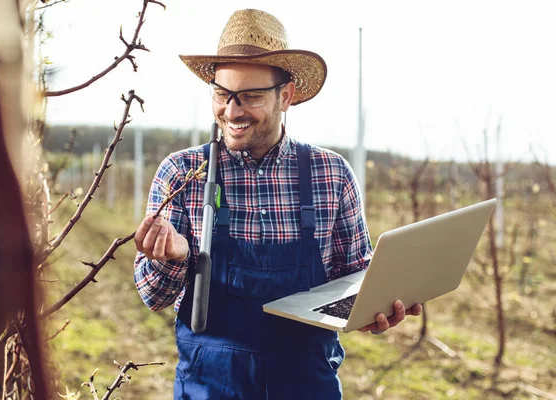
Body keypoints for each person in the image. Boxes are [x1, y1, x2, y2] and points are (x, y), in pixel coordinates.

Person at [134, 8, 422, 399]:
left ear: (286, 95)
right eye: (222, 94)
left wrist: (378, 305)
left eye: (250, 97)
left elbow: (355, 276)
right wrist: (174, 258)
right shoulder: (184, 173)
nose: (232, 111)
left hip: (306, 385)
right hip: (210, 389)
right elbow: (154, 298)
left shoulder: (330, 174)